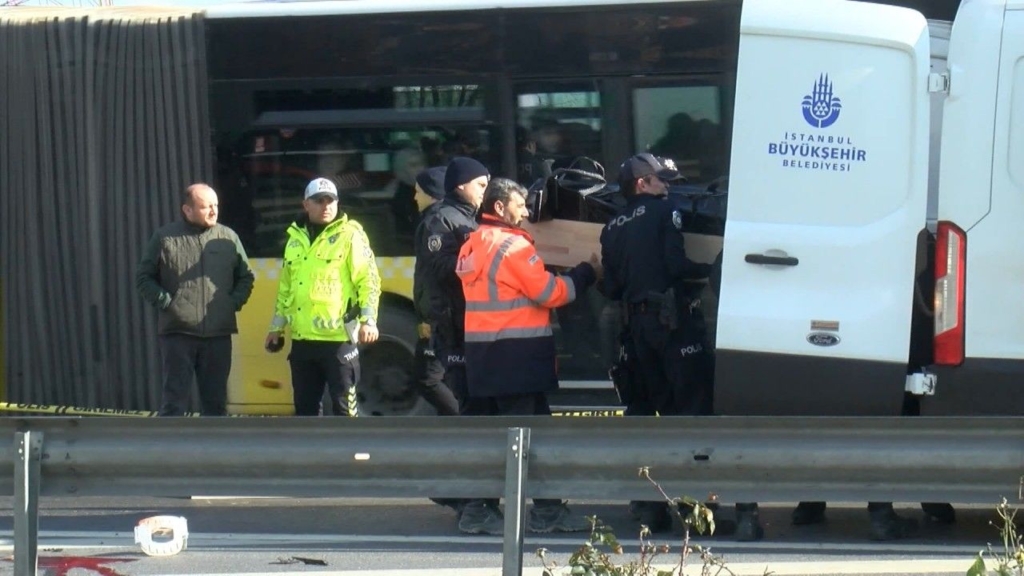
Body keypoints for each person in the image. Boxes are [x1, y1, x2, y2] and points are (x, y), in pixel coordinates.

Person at [599, 153, 763, 541]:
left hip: (637, 333)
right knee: (693, 414)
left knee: (655, 416)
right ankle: (695, 512)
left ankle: (652, 510)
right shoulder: (663, 211)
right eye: (661, 180)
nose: (669, 186)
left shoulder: (611, 227)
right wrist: (709, 269)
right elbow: (675, 265)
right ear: (643, 184)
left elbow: (612, 288)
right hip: (672, 327)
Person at [454, 177, 599, 535]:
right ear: (500, 207)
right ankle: (547, 512)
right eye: (520, 206)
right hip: (518, 357)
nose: (525, 213)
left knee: (492, 438)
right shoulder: (513, 247)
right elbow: (550, 292)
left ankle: (478, 509)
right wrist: (585, 274)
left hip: (484, 356)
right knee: (534, 439)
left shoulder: (473, 243)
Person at [264, 177, 382, 416]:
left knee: (345, 410)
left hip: (338, 342)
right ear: (306, 204)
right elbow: (286, 289)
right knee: (305, 411)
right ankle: (312, 455)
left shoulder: (350, 236)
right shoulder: (295, 239)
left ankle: (350, 453)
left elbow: (368, 280)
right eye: (319, 201)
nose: (326, 205)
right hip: (303, 341)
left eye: (331, 200)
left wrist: (369, 321)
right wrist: (276, 328)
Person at [136, 183, 255, 416]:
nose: (213, 211)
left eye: (215, 205)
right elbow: (144, 278)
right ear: (187, 210)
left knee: (216, 404)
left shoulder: (228, 237)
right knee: (174, 403)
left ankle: (214, 451)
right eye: (205, 206)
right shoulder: (164, 237)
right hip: (178, 334)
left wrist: (231, 304)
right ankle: (172, 451)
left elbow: (246, 277)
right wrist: (168, 303)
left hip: (218, 334)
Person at [414, 156, 490, 411]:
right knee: (458, 389)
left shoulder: (469, 218)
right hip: (451, 322)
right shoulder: (442, 219)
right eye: (480, 185)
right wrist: (479, 262)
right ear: (460, 185)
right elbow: (439, 267)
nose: (484, 192)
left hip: (466, 319)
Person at [411, 166, 460, 416]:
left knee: (428, 378)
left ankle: (466, 420)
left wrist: (430, 318)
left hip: (439, 318)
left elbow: (434, 277)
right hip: (444, 316)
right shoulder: (443, 217)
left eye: (418, 192)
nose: (414, 197)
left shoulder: (434, 222)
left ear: (432, 194)